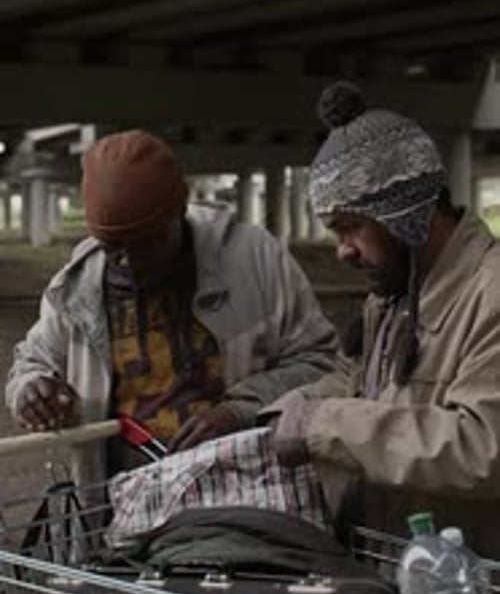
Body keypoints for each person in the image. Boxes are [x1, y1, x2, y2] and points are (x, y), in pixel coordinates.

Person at [5, 129, 338, 479]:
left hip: (245, 491)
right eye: (113, 247)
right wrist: (31, 389)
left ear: (180, 211)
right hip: (116, 505)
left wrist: (240, 411)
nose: (130, 265)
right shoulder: (74, 291)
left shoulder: (254, 260)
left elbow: (323, 363)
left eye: (147, 243)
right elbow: (30, 364)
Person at [268, 81, 500, 557]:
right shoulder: (396, 292)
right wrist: (291, 407)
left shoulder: (490, 294)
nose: (342, 251)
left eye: (351, 227)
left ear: (408, 215)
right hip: (402, 571)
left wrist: (322, 424)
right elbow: (368, 391)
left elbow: (483, 448)